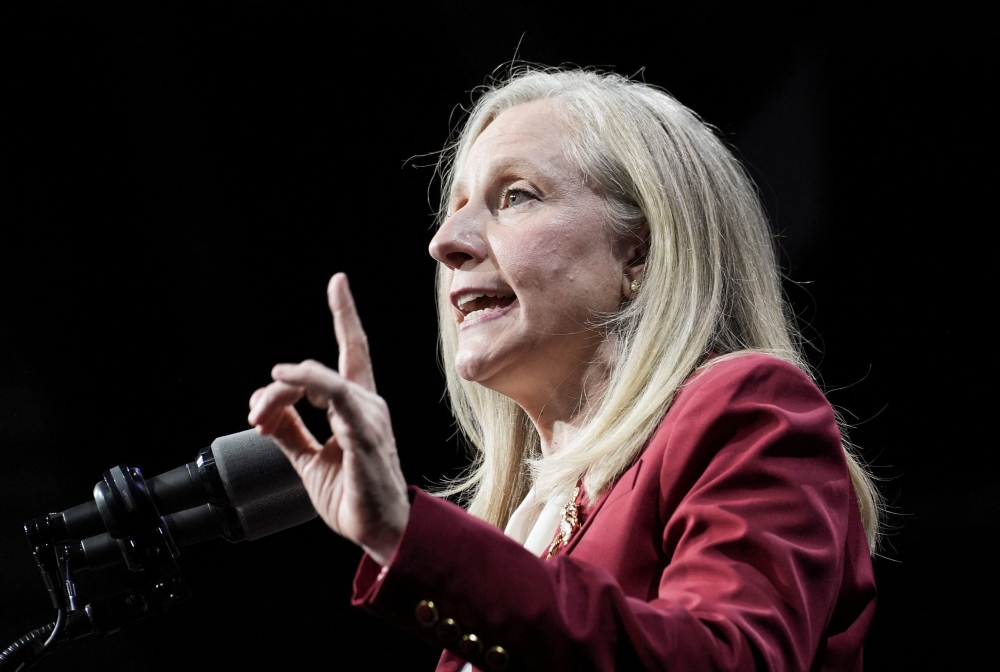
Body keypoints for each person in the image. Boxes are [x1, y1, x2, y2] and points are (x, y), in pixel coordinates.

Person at [247, 68, 880, 671]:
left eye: (515, 196)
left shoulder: (746, 408)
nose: (446, 241)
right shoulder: (523, 526)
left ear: (639, 253)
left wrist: (408, 533)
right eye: (458, 204)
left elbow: (723, 664)